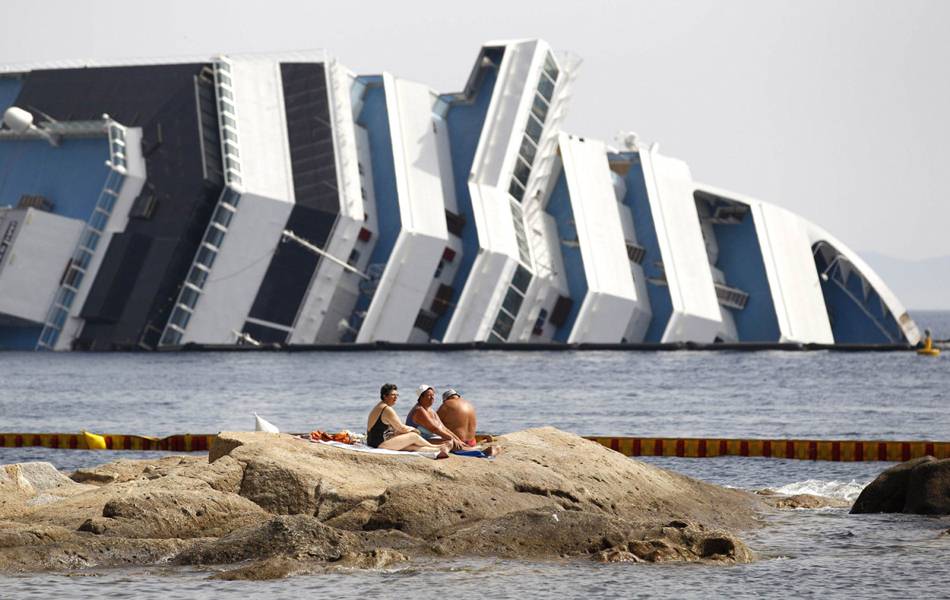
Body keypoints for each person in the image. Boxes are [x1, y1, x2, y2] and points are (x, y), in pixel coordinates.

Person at [366, 383, 450, 457]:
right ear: (385, 396)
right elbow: (401, 428)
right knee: (413, 436)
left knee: (411, 447)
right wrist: (413, 429)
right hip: (380, 445)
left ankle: (437, 450)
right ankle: (435, 447)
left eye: (397, 395)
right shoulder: (387, 409)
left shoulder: (379, 406)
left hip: (373, 443)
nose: (396, 398)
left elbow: (394, 428)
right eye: (393, 395)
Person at [406, 384, 467, 450]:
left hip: (430, 439)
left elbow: (444, 428)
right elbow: (434, 429)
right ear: (421, 397)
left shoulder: (431, 410)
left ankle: (467, 448)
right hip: (417, 441)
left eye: (433, 395)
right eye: (429, 395)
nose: (432, 398)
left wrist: (458, 440)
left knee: (456, 443)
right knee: (451, 443)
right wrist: (452, 439)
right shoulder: (419, 410)